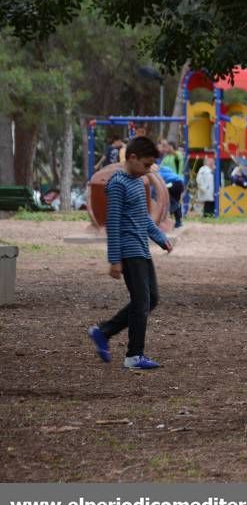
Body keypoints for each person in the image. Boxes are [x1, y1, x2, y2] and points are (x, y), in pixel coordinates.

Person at [87, 137, 173, 370]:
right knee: (142, 301)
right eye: (146, 165)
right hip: (128, 250)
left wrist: (160, 238)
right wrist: (115, 260)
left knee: (150, 298)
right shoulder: (117, 184)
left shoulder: (138, 182)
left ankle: (103, 331)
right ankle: (134, 355)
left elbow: (142, 217)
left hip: (142, 250)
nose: (148, 170)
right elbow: (113, 223)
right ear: (132, 158)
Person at [158, 161, 185, 228]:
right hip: (181, 184)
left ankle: (171, 209)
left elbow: (160, 184)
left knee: (170, 200)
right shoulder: (171, 173)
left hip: (173, 184)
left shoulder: (159, 173)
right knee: (176, 201)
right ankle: (178, 222)